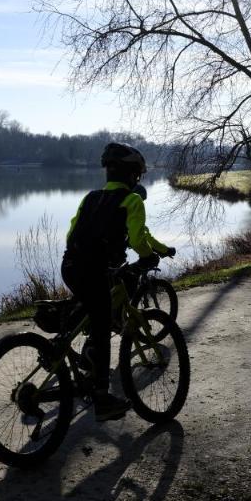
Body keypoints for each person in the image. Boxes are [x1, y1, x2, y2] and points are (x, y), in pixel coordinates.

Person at [61, 142, 175, 421]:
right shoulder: (132, 200)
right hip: (95, 269)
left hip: (70, 266)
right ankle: (102, 398)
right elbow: (138, 239)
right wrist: (148, 257)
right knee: (102, 327)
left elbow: (71, 233)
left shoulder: (90, 197)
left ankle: (83, 353)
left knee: (92, 310)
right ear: (133, 175)